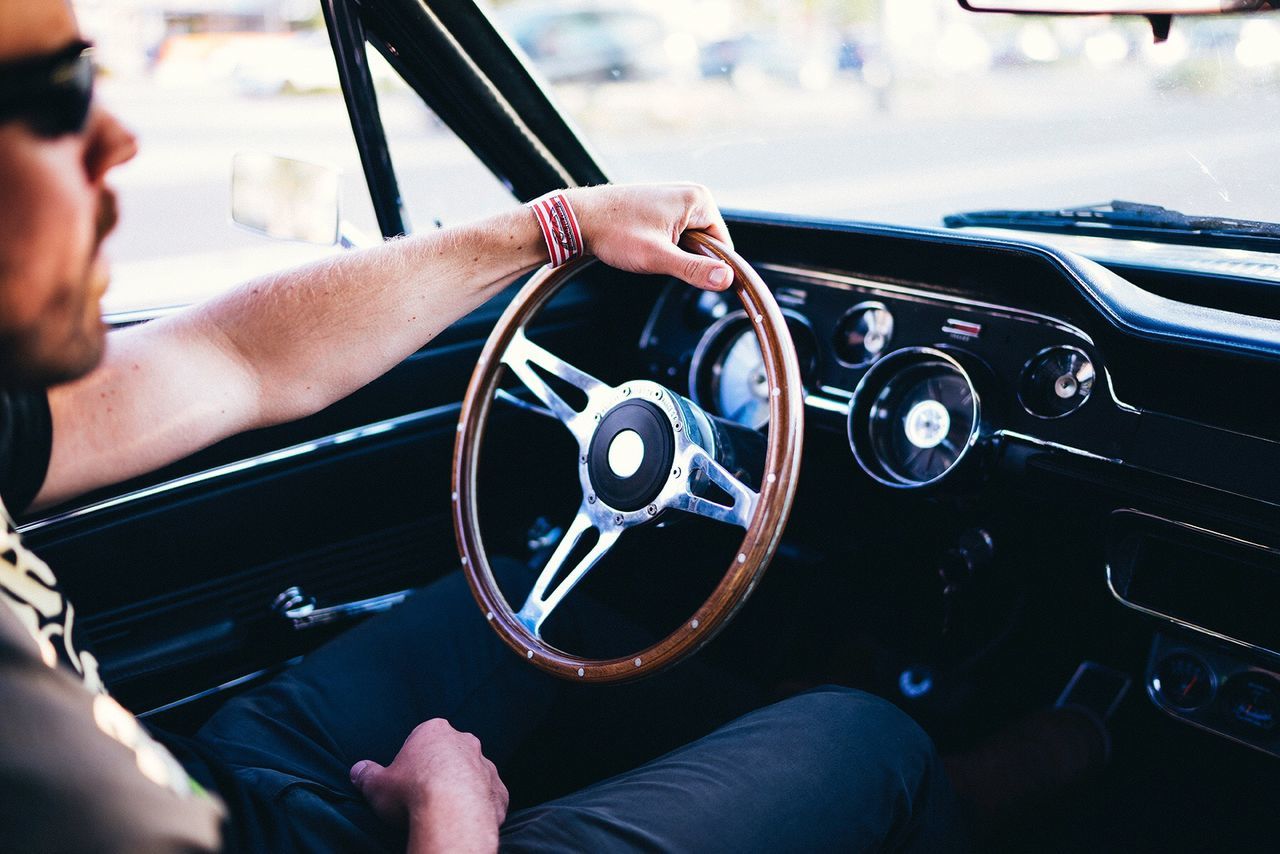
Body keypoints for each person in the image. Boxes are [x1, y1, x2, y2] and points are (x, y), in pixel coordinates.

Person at [0, 1, 967, 850]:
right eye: (58, 91)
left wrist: (559, 225)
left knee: (516, 606)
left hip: (228, 782)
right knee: (872, 741)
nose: (116, 136)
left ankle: (766, 734)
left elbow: (232, 358)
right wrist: (449, 806)